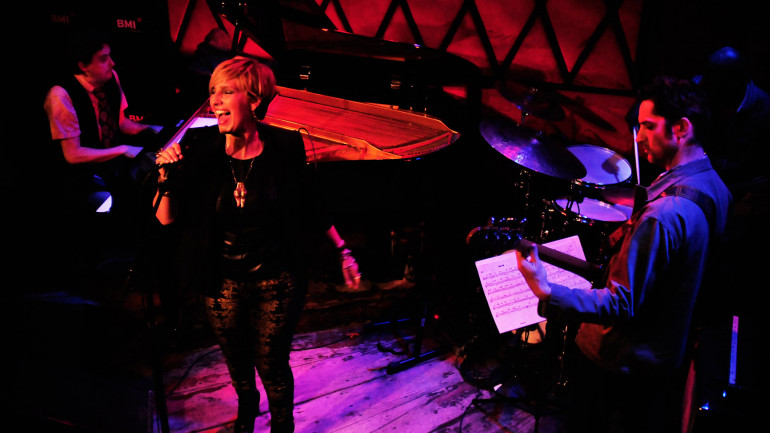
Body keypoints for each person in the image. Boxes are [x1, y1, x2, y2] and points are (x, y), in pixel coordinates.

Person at [153, 56, 361, 433]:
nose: (215, 101)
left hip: (276, 278)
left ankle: (282, 425)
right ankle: (246, 416)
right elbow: (166, 218)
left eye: (226, 91)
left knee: (272, 363)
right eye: (212, 91)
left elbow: (312, 206)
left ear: (253, 99)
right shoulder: (201, 148)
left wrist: (343, 250)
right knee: (237, 363)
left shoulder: (285, 145)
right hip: (221, 280)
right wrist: (165, 177)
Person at [514, 76, 731, 432]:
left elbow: (621, 304)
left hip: (619, 361)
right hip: (665, 354)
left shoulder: (665, 214)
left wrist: (546, 290)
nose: (639, 137)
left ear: (681, 128)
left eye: (648, 126)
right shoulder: (717, 187)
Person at [43, 30, 164, 217]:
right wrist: (122, 150)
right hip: (80, 176)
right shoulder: (61, 95)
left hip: (111, 165)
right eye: (103, 59)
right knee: (113, 205)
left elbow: (121, 124)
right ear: (84, 66)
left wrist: (154, 129)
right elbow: (72, 155)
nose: (112, 63)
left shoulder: (111, 78)